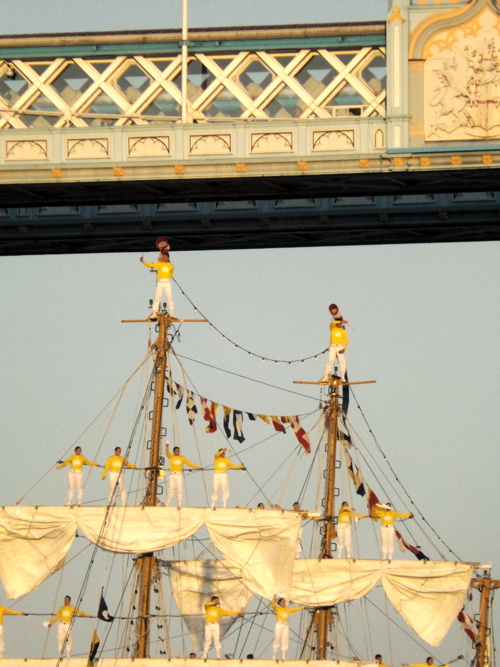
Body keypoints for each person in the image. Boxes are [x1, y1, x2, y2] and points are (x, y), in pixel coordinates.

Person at [140, 253, 175, 319]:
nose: (163, 258)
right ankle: (154, 313)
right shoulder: (159, 264)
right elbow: (150, 264)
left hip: (167, 282)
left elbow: (171, 273)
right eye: (163, 256)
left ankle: (172, 313)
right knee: (157, 298)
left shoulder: (171, 266)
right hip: (160, 282)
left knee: (169, 298)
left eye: (164, 256)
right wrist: (143, 261)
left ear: (167, 257)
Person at [165, 442, 200, 507]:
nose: (177, 452)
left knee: (179, 489)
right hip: (172, 475)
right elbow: (167, 453)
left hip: (179, 475)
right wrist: (167, 447)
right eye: (176, 451)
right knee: (171, 489)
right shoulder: (171, 457)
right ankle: (167, 504)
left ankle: (180, 504)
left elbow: (189, 463)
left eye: (178, 451)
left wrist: (197, 467)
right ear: (173, 451)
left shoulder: (182, 458)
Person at [271, 595, 305, 660]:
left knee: (285, 639)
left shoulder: (287, 610)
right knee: (277, 638)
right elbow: (272, 605)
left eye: (285, 602)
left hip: (285, 625)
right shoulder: (277, 608)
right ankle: (274, 654)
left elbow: (294, 609)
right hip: (279, 624)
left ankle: (283, 655)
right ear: (280, 602)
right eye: (283, 601)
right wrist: (273, 599)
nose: (284, 603)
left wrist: (303, 607)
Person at [321, 303, 349, 382]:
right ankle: (326, 376)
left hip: (340, 346)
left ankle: (343, 377)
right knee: (330, 361)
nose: (340, 324)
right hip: (333, 346)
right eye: (339, 323)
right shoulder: (332, 328)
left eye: (340, 323)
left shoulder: (342, 331)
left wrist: (344, 348)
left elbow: (346, 340)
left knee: (342, 362)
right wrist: (340, 321)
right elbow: (332, 323)